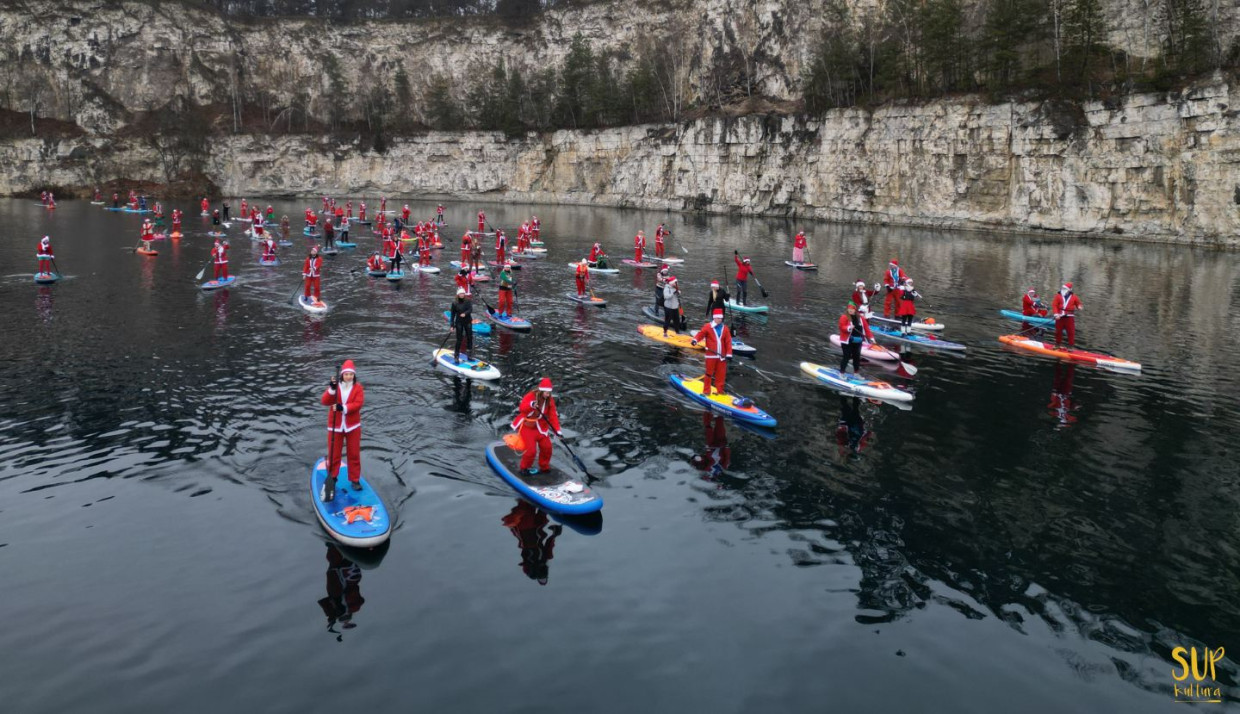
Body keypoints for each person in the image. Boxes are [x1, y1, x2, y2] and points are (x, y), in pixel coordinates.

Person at [320, 359, 365, 502]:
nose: (349, 377)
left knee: (353, 453)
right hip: (335, 427)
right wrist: (331, 389)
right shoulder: (336, 387)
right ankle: (332, 477)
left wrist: (343, 408)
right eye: (346, 374)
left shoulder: (358, 388)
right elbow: (325, 401)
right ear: (342, 375)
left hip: (353, 427)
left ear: (354, 376)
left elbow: (358, 404)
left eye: (351, 375)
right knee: (334, 454)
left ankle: (355, 479)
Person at [511, 377, 561, 475]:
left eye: (549, 393)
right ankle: (524, 468)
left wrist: (557, 431)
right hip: (527, 427)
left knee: (547, 447)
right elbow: (522, 408)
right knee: (531, 451)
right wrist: (531, 404)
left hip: (541, 428)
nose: (548, 395)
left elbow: (553, 416)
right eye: (546, 393)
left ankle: (544, 467)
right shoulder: (530, 396)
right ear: (541, 391)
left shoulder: (550, 400)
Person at [502, 501, 561, 586]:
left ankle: (525, 496)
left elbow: (526, 568)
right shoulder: (547, 557)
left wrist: (532, 572)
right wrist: (555, 534)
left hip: (525, 530)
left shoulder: (529, 564)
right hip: (538, 527)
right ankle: (543, 498)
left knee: (527, 508)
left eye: (541, 573)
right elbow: (550, 543)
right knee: (543, 508)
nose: (542, 570)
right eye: (544, 574)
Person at [691, 309, 733, 395]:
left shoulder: (725, 329)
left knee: (721, 374)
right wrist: (695, 340)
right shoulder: (708, 326)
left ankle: (720, 390)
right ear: (714, 318)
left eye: (721, 318)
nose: (720, 320)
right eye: (718, 318)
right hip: (711, 355)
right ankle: (706, 391)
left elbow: (728, 342)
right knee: (709, 374)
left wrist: (729, 354)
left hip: (722, 356)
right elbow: (701, 334)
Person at [838, 302, 874, 375]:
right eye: (849, 309)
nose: (850, 310)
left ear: (855, 309)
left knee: (857, 357)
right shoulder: (844, 317)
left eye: (852, 309)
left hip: (858, 341)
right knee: (846, 357)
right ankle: (841, 373)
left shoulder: (861, 318)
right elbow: (841, 327)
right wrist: (848, 328)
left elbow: (866, 328)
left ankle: (856, 373)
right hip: (847, 341)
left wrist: (871, 338)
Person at [1052, 282, 1082, 347]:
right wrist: (1056, 314)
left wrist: (1079, 306)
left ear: (1069, 290)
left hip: (1069, 316)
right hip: (1059, 316)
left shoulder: (1074, 297)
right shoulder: (1058, 296)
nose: (1063, 289)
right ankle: (1057, 344)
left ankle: (1071, 346)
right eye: (1063, 288)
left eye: (1065, 289)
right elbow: (1054, 305)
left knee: (1071, 332)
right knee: (1058, 331)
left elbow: (1078, 304)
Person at [450, 288, 474, 363]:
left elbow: (470, 309)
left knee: (469, 337)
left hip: (468, 321)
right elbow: (452, 314)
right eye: (461, 294)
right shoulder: (454, 303)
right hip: (459, 322)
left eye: (463, 293)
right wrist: (452, 325)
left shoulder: (468, 301)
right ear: (458, 294)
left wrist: (465, 313)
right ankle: (456, 355)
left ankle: (469, 355)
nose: (462, 295)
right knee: (459, 339)